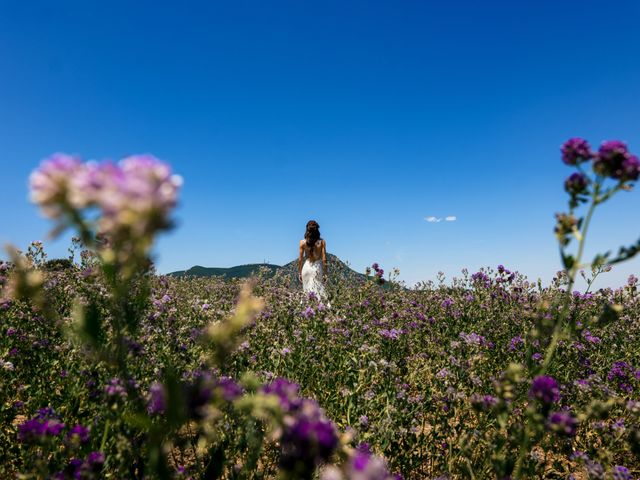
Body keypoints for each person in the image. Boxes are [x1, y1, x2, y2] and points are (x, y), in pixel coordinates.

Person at [298, 220, 328, 301]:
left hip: (306, 267)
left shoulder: (302, 242)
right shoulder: (322, 242)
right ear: (317, 230)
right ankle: (319, 309)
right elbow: (324, 259)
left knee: (306, 290)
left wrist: (299, 272)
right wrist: (325, 273)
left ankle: (306, 309)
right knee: (319, 290)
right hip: (317, 267)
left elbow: (300, 259)